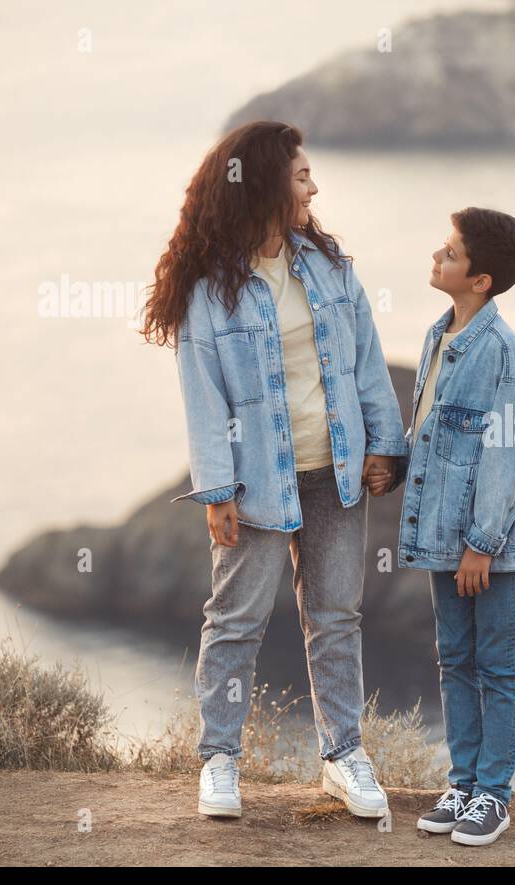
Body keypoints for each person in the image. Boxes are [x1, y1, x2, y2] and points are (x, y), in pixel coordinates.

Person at [140, 120, 407, 821]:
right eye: (302, 176)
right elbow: (203, 392)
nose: (314, 186)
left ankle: (343, 754)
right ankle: (220, 759)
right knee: (234, 621)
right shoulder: (210, 287)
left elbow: (365, 361)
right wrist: (218, 489)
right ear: (263, 184)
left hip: (337, 473)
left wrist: (387, 444)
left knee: (337, 617)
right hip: (258, 482)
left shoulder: (328, 265)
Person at [396, 207, 515, 846]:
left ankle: (493, 796)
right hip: (445, 538)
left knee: (498, 664)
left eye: (451, 252)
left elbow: (509, 456)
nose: (438, 256)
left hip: (491, 547)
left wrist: (481, 546)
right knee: (454, 660)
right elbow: (435, 434)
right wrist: (393, 466)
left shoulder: (503, 355)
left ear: (480, 279)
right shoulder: (441, 336)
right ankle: (462, 786)